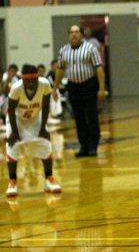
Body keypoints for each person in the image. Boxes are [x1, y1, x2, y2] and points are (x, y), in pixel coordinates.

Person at [5, 64, 61, 200]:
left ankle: (49, 179)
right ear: (22, 80)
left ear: (38, 78)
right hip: (17, 119)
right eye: (27, 80)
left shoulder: (45, 84)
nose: (30, 83)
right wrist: (14, 132)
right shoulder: (16, 88)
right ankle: (13, 182)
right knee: (12, 146)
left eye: (33, 80)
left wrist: (43, 128)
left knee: (46, 143)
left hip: (35, 117)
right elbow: (11, 111)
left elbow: (46, 106)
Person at [52, 25, 106, 158]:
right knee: (79, 118)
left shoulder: (90, 48)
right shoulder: (63, 50)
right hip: (73, 87)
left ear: (81, 34)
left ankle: (93, 145)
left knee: (91, 117)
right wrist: (55, 88)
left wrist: (102, 88)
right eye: (71, 32)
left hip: (89, 85)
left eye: (77, 32)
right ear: (68, 35)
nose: (74, 35)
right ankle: (83, 146)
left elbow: (99, 69)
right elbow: (60, 70)